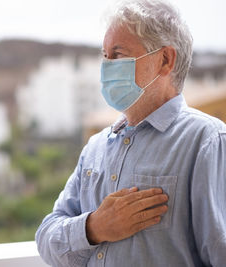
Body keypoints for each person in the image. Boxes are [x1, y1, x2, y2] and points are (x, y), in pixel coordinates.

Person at [35, 0, 226, 266]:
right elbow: (46, 237)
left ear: (165, 60)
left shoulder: (205, 141)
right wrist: (93, 228)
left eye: (118, 54)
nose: (106, 66)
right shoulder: (96, 147)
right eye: (105, 55)